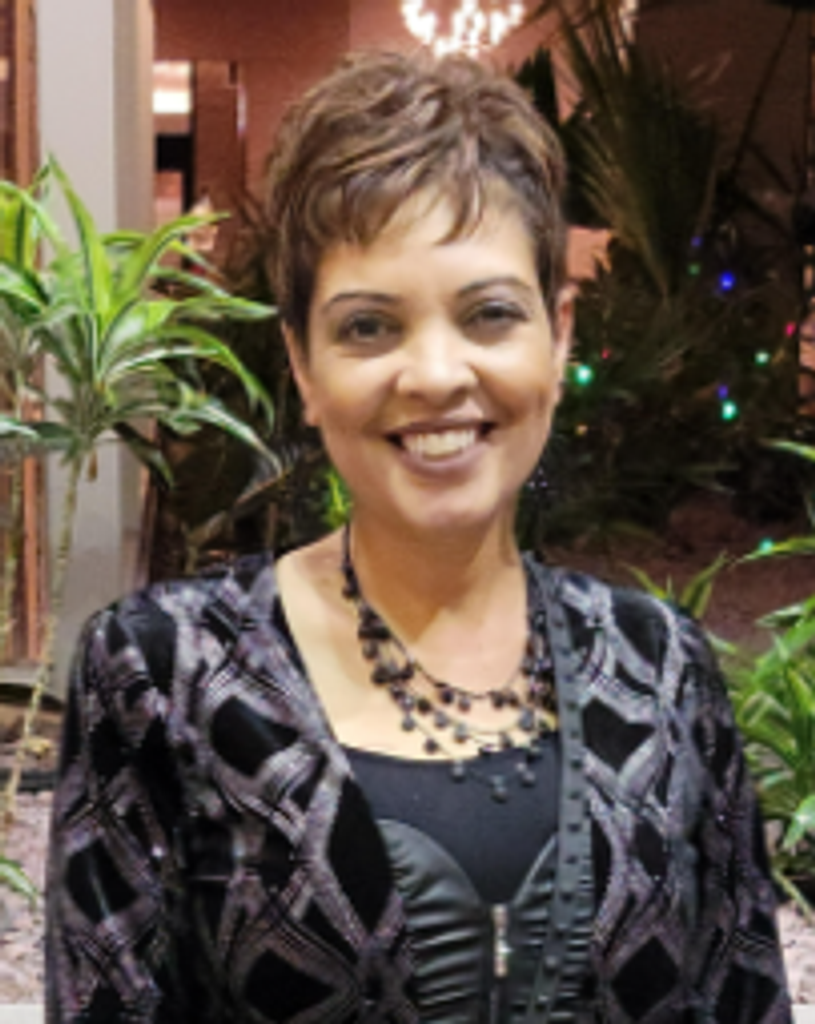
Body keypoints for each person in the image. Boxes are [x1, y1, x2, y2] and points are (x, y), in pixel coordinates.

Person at [46, 50, 792, 1023]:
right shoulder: (168, 673)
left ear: (558, 333)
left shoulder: (660, 669)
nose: (436, 374)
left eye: (489, 315)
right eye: (368, 327)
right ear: (302, 364)